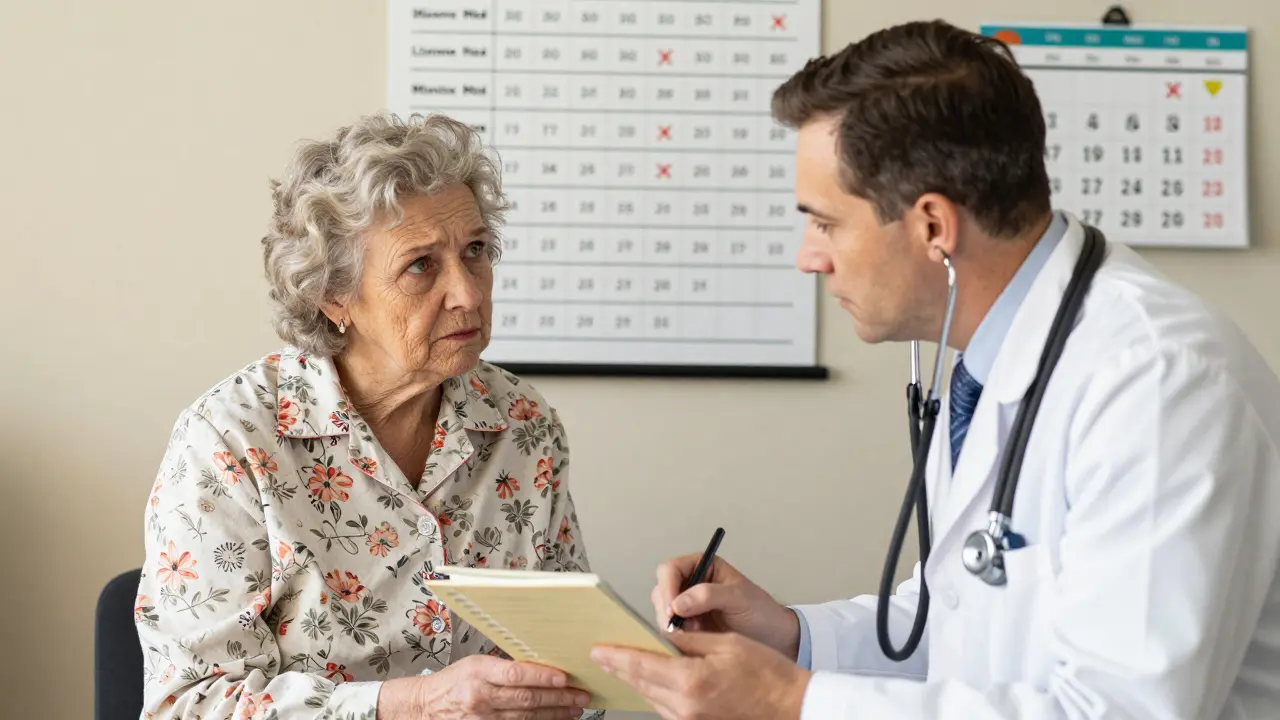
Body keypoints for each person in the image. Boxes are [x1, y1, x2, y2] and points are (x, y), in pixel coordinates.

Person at [589, 19, 1280, 719]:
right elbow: (959, 621)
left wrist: (789, 701)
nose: (809, 256)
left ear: (932, 227)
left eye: (825, 222)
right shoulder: (993, 357)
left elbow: (1124, 711)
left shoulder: (1159, 384)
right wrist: (790, 638)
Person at [136, 113, 598, 720]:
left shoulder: (523, 422)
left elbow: (567, 663)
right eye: (421, 265)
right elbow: (188, 706)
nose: (468, 292)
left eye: (476, 252)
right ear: (334, 296)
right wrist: (413, 704)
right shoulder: (231, 439)